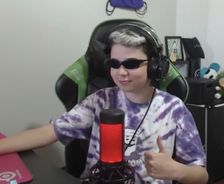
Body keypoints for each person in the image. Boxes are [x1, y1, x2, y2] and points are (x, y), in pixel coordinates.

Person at [0, 24, 208, 184]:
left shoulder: (174, 109)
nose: (121, 72)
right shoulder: (100, 100)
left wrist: (177, 171)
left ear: (155, 67)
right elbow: (51, 131)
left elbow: (201, 175)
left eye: (132, 64)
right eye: (114, 64)